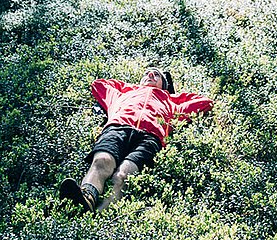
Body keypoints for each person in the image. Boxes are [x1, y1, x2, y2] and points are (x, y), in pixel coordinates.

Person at [59, 67, 213, 214]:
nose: (151, 75)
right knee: (102, 162)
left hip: (150, 137)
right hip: (117, 127)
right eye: (147, 73)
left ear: (164, 85)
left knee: (123, 176)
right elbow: (98, 84)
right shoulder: (122, 93)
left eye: (156, 75)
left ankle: (97, 216)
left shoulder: (171, 103)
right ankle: (88, 197)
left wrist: (170, 94)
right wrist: (132, 88)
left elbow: (205, 102)